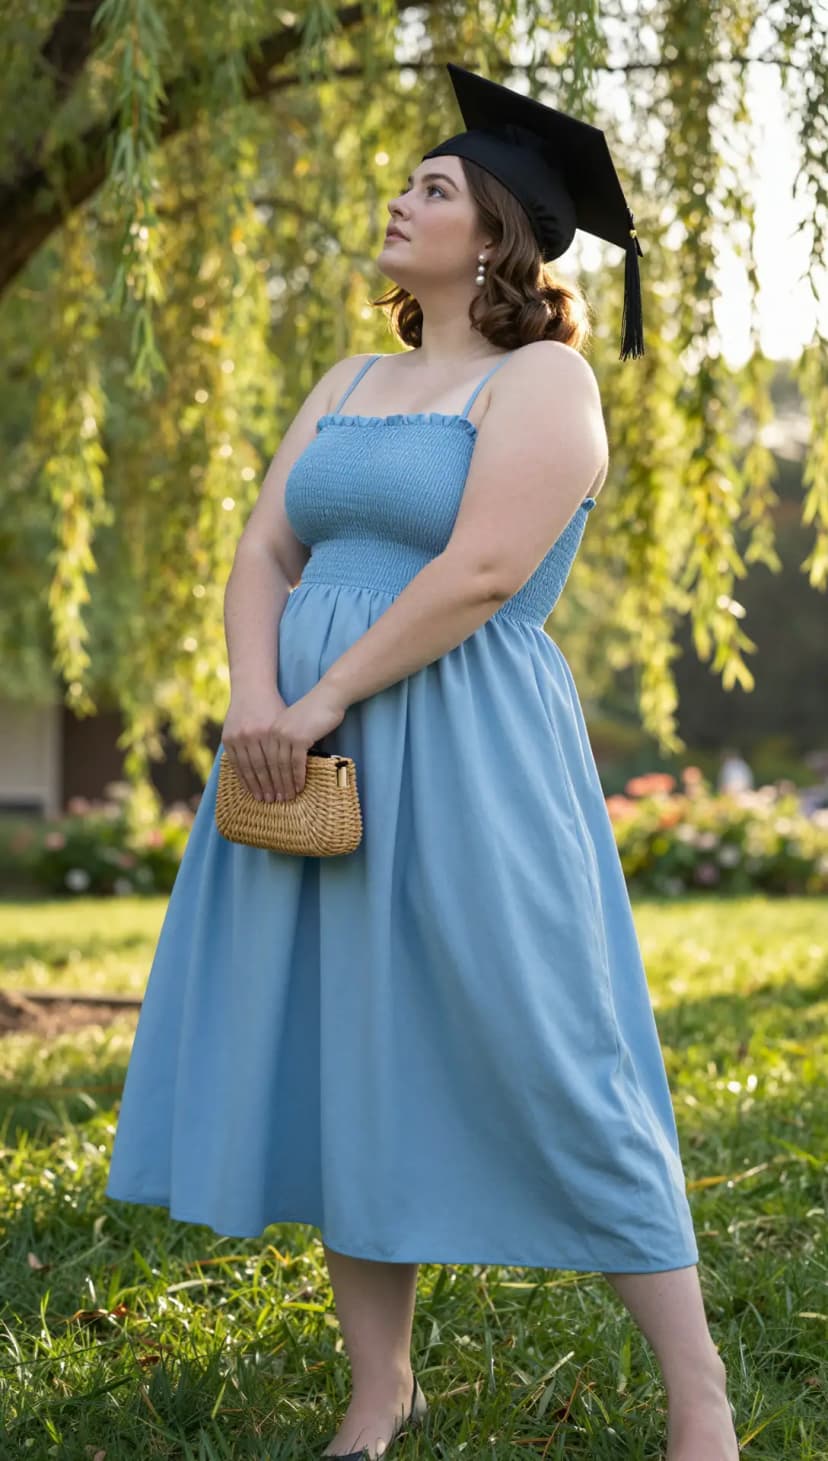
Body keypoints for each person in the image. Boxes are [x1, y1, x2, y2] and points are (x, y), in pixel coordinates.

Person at [105, 63, 739, 1461]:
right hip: (302, 748)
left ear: (499, 233)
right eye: (408, 181)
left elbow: (485, 570)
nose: (401, 197)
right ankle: (379, 1391)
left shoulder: (547, 381)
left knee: (554, 1045)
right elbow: (267, 548)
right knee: (353, 1054)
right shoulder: (351, 376)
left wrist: (317, 690)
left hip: (459, 741)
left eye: (435, 188)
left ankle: (700, 1396)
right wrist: (254, 695)